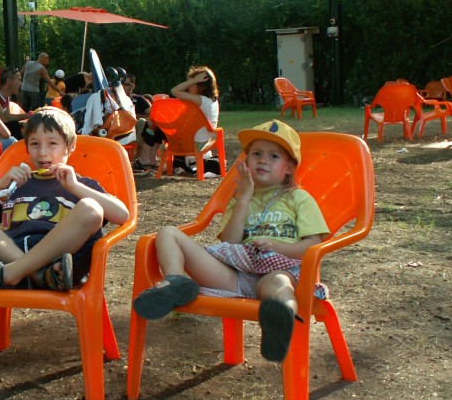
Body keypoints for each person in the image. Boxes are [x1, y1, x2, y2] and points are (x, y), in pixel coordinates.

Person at [132, 119, 329, 363]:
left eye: (273, 156)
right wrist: (244, 199)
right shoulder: (240, 199)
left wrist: (277, 247)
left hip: (277, 271)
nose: (263, 160)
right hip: (235, 274)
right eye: (256, 154)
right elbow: (230, 243)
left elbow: (313, 246)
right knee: (168, 233)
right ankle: (177, 281)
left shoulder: (298, 198)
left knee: (278, 284)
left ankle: (280, 321)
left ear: (289, 167)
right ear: (246, 161)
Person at [0, 107, 129, 290]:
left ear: (70, 146)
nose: (42, 152)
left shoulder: (81, 185)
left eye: (52, 143)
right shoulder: (15, 184)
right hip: (20, 257)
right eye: (34, 144)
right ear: (27, 147)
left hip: (59, 261)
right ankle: (35, 275)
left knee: (91, 208)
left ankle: (8, 274)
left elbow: (122, 215)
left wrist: (75, 187)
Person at [0, 67, 29, 140]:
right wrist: (26, 116)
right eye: (19, 80)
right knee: (14, 125)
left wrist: (22, 124)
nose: (21, 84)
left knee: (20, 125)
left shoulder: (7, 96)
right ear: (10, 81)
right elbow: (2, 118)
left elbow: (8, 118)